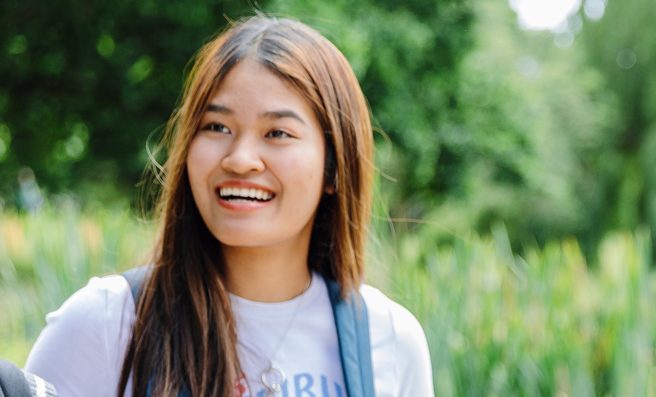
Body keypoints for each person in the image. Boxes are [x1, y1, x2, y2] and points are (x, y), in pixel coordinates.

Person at [24, 15, 433, 396]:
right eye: (216, 127)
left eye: (277, 132)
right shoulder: (108, 323)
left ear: (333, 168)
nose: (239, 159)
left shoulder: (390, 339)